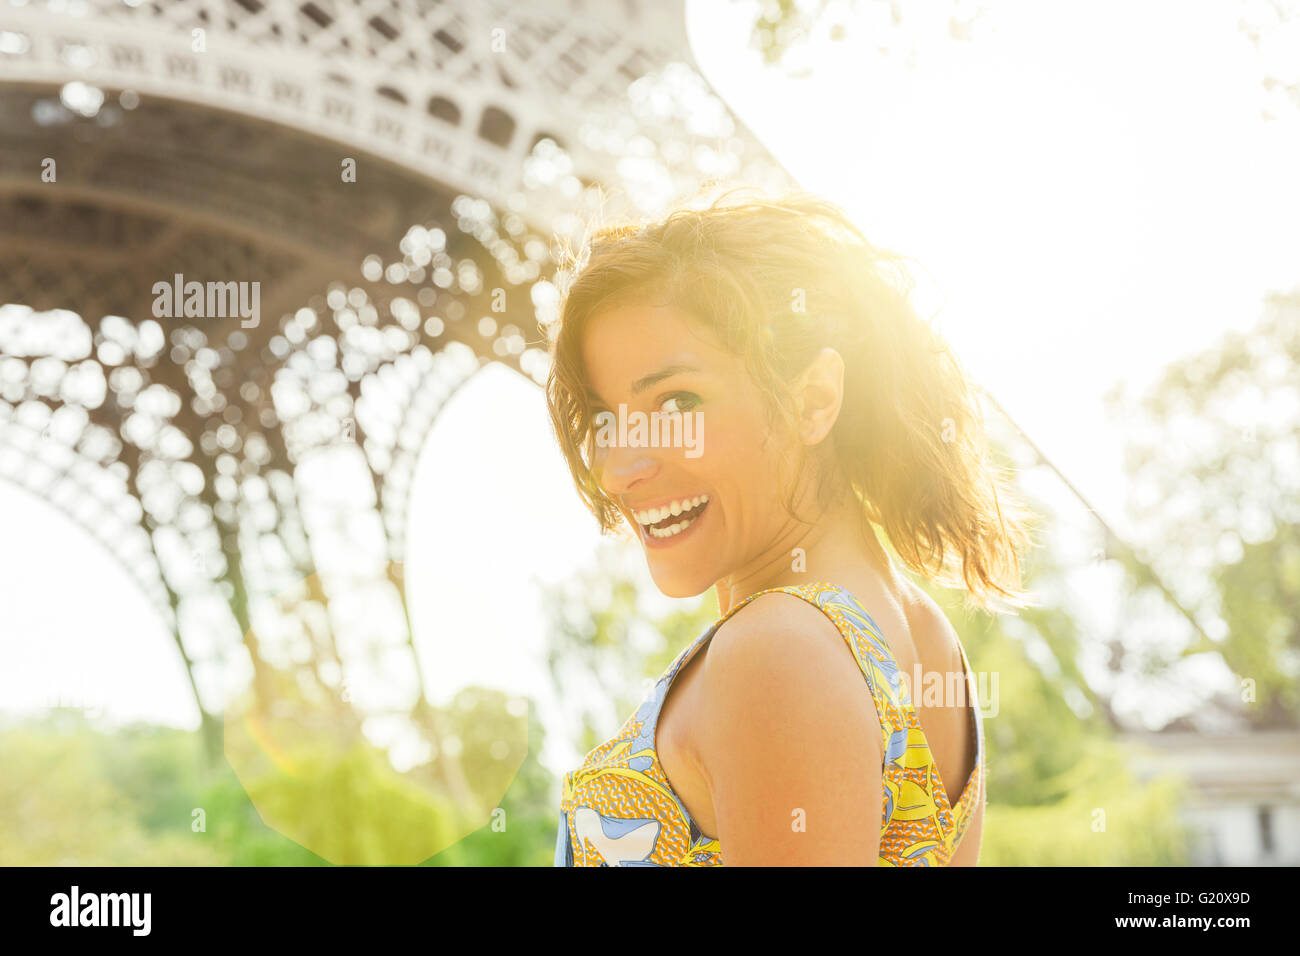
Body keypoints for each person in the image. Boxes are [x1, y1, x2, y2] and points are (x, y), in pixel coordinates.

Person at [545, 188, 1038, 866]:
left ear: (814, 399)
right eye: (606, 416)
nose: (618, 469)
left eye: (677, 401)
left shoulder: (777, 648)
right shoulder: (925, 639)